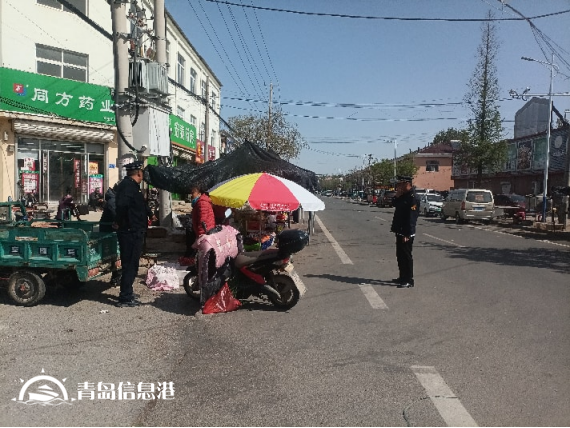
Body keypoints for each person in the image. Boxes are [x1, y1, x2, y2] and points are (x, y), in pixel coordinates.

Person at [113, 161, 156, 307]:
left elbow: (140, 205)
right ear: (138, 173)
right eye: (142, 172)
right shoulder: (127, 186)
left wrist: (150, 214)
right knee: (130, 264)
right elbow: (121, 207)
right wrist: (120, 222)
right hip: (130, 232)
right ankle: (125, 297)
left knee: (133, 264)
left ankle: (128, 292)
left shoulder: (133, 187)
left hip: (135, 231)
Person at [390, 175, 419, 289]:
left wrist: (408, 234)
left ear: (407, 184)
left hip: (406, 233)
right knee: (400, 255)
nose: (398, 186)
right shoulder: (403, 195)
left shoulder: (413, 197)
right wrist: (397, 195)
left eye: (400, 184)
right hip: (400, 230)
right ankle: (402, 277)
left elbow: (412, 218)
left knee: (406, 256)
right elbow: (394, 204)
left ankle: (409, 280)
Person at [99, 181, 121, 285]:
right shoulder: (113, 201)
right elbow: (116, 215)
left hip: (112, 231)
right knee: (116, 254)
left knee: (116, 254)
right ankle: (116, 278)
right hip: (108, 232)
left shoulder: (116, 199)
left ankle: (117, 277)